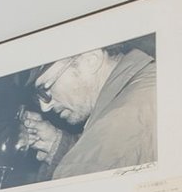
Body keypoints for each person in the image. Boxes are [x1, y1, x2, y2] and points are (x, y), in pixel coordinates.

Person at [33, 43, 156, 179]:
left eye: (45, 89)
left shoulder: (123, 116)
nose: (45, 107)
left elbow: (74, 190)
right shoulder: (146, 81)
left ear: (91, 60)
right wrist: (58, 146)